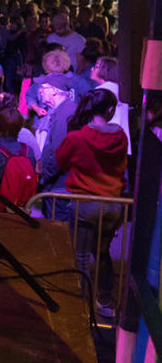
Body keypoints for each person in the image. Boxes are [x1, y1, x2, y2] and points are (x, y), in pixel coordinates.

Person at [54, 88, 128, 317]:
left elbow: (61, 162)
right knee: (103, 253)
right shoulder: (121, 137)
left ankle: (81, 307)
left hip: (84, 202)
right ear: (110, 110)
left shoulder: (77, 137)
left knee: (81, 256)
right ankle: (105, 302)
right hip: (113, 204)